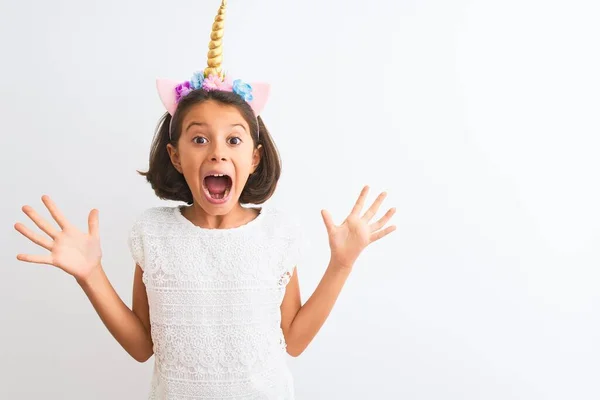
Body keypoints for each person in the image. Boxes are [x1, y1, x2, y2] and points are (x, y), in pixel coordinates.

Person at [14, 1, 396, 398]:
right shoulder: (153, 232)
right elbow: (142, 346)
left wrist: (341, 264)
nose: (217, 152)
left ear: (254, 157)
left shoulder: (278, 233)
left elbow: (295, 340)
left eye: (233, 139)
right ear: (175, 155)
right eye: (199, 138)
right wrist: (91, 275)